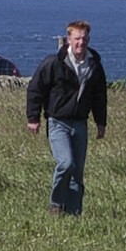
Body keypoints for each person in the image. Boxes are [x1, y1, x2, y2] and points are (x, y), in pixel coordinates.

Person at [25, 20, 108, 216]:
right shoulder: (53, 63)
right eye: (77, 38)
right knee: (66, 163)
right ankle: (56, 204)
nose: (81, 42)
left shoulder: (94, 64)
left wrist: (101, 122)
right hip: (57, 122)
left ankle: (73, 213)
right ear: (68, 39)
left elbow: (100, 96)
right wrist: (33, 117)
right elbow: (36, 89)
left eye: (85, 38)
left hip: (80, 123)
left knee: (77, 171)